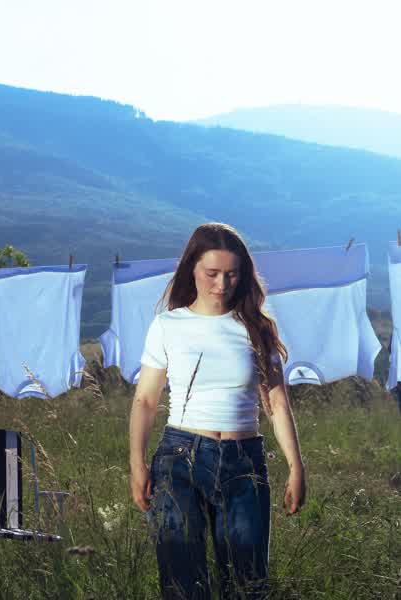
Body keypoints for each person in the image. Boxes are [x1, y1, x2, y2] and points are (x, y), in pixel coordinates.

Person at [129, 223, 306, 599]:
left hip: (244, 463)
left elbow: (276, 403)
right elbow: (145, 400)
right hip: (179, 461)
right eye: (212, 273)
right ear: (192, 268)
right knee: (182, 584)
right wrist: (137, 463)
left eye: (232, 274)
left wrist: (296, 466)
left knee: (248, 584)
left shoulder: (258, 328)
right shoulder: (167, 325)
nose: (222, 284)